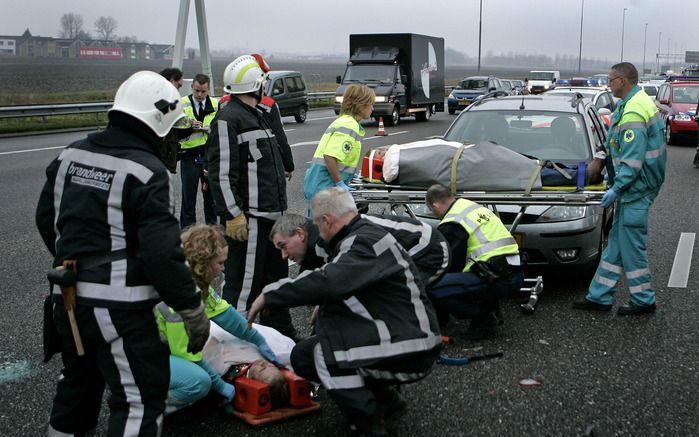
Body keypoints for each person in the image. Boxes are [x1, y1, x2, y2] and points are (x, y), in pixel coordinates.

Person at [36, 71, 210, 436]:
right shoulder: (148, 173)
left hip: (66, 301)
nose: (173, 143)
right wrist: (192, 310)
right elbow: (163, 255)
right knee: (138, 400)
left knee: (77, 392)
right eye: (173, 133)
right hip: (119, 311)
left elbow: (46, 220)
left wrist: (79, 259)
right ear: (158, 121)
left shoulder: (69, 155)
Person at [248, 187, 442, 436]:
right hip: (404, 331)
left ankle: (369, 423)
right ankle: (386, 401)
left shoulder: (363, 241)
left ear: (326, 220)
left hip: (412, 344)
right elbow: (337, 280)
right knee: (308, 351)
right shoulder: (359, 236)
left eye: (318, 224)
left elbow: (330, 280)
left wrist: (269, 294)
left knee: (323, 351)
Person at [205, 55, 298, 341]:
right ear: (257, 84)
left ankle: (281, 336)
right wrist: (233, 214)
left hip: (270, 218)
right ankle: (234, 347)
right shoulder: (228, 119)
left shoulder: (258, 114)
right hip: (250, 220)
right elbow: (221, 173)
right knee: (244, 287)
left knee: (275, 282)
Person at [155, 224, 282, 415]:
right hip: (132, 356)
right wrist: (220, 385)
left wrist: (257, 339)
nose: (222, 270)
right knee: (198, 383)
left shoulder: (189, 276)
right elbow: (188, 354)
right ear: (203, 261)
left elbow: (226, 314)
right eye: (220, 263)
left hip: (147, 347)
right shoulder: (177, 293)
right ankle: (141, 407)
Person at [572, 62, 667, 315]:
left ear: (623, 81)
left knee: (632, 248)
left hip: (635, 189)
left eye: (611, 80)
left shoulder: (634, 111)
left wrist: (618, 188)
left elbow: (633, 161)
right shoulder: (633, 104)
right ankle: (599, 296)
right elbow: (614, 142)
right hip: (636, 187)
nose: (608, 84)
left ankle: (644, 300)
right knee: (615, 244)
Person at [426, 183, 524, 340]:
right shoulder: (472, 207)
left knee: (431, 286)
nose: (435, 214)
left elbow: (447, 265)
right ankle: (489, 306)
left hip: (496, 277)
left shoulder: (453, 222)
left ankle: (484, 316)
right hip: (513, 272)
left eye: (432, 210)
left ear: (435, 205)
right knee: (463, 278)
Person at [270, 212, 450, 289]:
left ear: (300, 234)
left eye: (283, 246)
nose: (284, 256)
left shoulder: (323, 241)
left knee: (379, 295)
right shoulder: (318, 237)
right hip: (424, 243)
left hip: (429, 250)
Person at [218, 54, 295, 181]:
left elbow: (218, 143)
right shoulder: (269, 105)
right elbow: (279, 137)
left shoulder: (223, 103)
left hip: (234, 168)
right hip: (262, 167)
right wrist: (288, 165)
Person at [303, 84, 375, 201]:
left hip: (320, 186)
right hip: (325, 189)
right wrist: (340, 183)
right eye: (371, 104)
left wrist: (352, 175)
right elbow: (330, 156)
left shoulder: (343, 121)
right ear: (361, 105)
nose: (372, 108)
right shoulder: (349, 125)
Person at [178, 73, 218, 228]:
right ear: (192, 88)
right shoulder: (182, 104)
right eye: (197, 91)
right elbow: (175, 132)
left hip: (209, 157)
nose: (200, 95)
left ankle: (213, 234)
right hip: (189, 156)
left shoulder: (215, 104)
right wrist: (189, 127)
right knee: (188, 199)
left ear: (208, 89)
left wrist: (211, 129)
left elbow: (221, 128)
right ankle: (188, 235)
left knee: (211, 199)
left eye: (203, 92)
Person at [159, 67, 192, 174]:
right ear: (172, 81)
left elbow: (175, 133)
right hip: (161, 158)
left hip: (165, 156)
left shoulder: (164, 101)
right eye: (179, 86)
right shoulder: (161, 102)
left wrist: (190, 127)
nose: (178, 90)